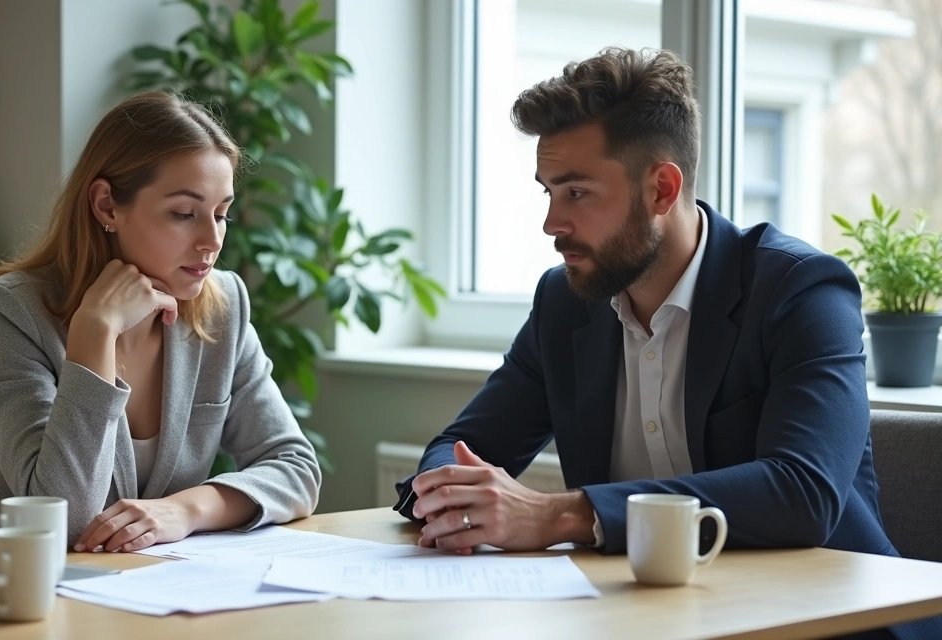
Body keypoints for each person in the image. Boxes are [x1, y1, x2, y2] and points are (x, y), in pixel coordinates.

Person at [394, 47, 939, 640]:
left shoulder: (800, 290)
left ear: (661, 188)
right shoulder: (565, 302)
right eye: (547, 192)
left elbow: (801, 493)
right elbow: (460, 444)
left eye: (576, 193)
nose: (552, 223)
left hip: (828, 624)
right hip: (647, 621)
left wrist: (557, 513)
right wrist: (451, 494)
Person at [0, 92, 320, 553]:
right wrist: (95, 332)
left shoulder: (224, 305)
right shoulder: (11, 313)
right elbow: (62, 519)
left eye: (222, 214)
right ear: (106, 206)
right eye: (184, 214)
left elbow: (296, 468)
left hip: (139, 591)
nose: (211, 240)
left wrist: (186, 510)